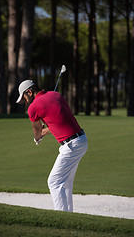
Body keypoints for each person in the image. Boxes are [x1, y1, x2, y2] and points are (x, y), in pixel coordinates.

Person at [16, 79, 88, 212]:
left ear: (30, 92)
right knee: (65, 183)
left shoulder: (33, 107)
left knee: (54, 182)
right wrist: (44, 130)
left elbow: (37, 131)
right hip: (81, 140)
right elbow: (59, 123)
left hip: (71, 145)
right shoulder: (56, 95)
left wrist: (38, 137)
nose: (25, 103)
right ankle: (68, 216)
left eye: (25, 98)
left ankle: (61, 218)